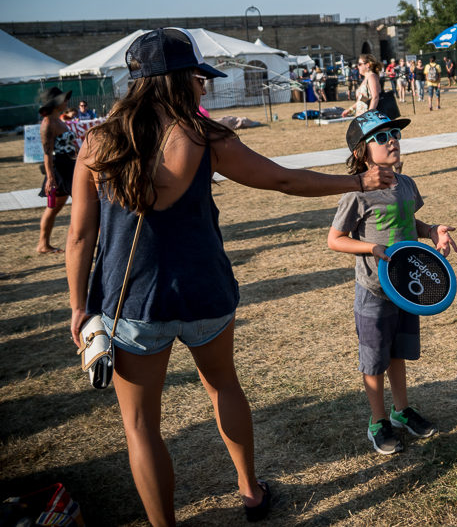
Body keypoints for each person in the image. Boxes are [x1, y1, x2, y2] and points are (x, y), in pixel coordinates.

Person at [66, 28, 394, 526]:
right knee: (224, 387)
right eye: (198, 78)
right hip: (206, 291)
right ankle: (251, 492)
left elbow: (79, 236)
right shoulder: (205, 137)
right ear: (178, 80)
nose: (203, 87)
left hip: (129, 304)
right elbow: (283, 180)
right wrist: (357, 182)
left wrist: (76, 307)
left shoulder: (96, 143)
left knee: (139, 427)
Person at [328, 110, 456, 454]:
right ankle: (378, 421)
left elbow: (408, 221)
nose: (393, 140)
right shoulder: (356, 195)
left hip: (405, 289)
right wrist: (371, 247)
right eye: (381, 137)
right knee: (374, 359)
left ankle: (402, 412)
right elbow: (335, 239)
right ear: (361, 153)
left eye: (394, 134)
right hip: (373, 291)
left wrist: (431, 231)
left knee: (397, 353)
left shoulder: (406, 184)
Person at [36, 87, 76, 254]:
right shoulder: (48, 124)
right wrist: (50, 178)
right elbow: (47, 153)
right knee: (55, 207)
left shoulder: (58, 120)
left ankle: (43, 244)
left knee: (54, 207)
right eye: (64, 99)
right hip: (60, 169)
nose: (66, 102)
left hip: (68, 166)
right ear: (55, 103)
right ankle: (42, 244)